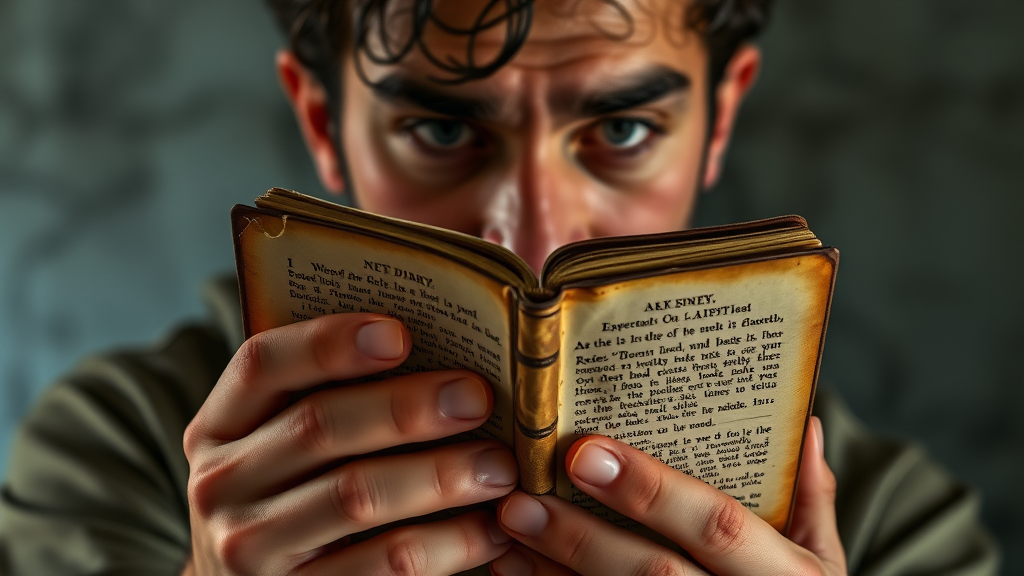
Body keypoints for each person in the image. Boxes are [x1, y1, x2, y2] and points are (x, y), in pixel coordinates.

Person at [0, 1, 998, 574]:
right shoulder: (122, 453)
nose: (531, 243)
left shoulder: (885, 526)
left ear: (720, 121)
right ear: (320, 122)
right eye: (440, 133)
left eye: (620, 133)